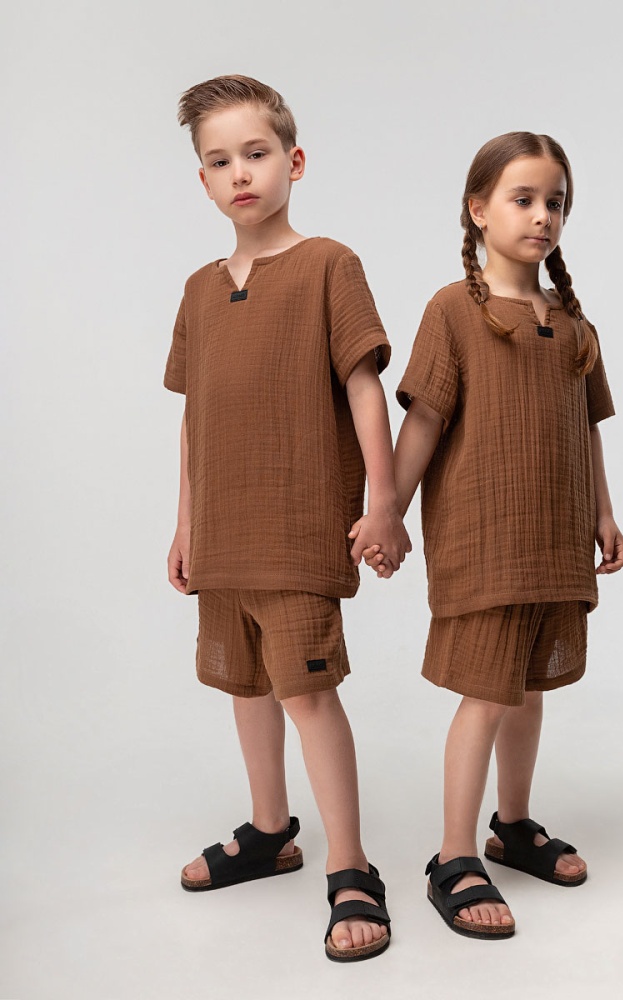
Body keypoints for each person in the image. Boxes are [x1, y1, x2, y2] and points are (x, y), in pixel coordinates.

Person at [163, 74, 410, 962]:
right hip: (224, 533)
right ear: (202, 180)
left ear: (293, 162)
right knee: (246, 685)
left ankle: (352, 866)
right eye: (219, 160)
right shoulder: (198, 290)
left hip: (299, 528)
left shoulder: (329, 265)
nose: (240, 173)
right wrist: (186, 523)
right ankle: (271, 830)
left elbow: (363, 387)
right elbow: (195, 417)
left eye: (256, 153)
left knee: (306, 691)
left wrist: (383, 500)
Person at [357, 132, 623, 939]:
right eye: (524, 199)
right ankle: (453, 855)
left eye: (556, 203)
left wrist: (604, 513)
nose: (543, 215)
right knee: (486, 695)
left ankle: (512, 825)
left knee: (530, 689)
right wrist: (387, 509)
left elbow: (587, 426)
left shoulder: (573, 324)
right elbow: (424, 421)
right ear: (478, 209)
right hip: (485, 541)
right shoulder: (455, 310)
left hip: (555, 541)